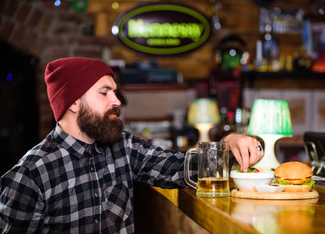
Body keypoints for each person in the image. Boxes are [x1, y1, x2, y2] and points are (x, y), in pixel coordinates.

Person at [0, 57, 263, 233]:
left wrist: (228, 145)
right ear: (72, 103)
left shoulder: (123, 147)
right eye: (104, 93)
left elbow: (180, 167)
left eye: (114, 92)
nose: (116, 101)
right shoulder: (31, 175)